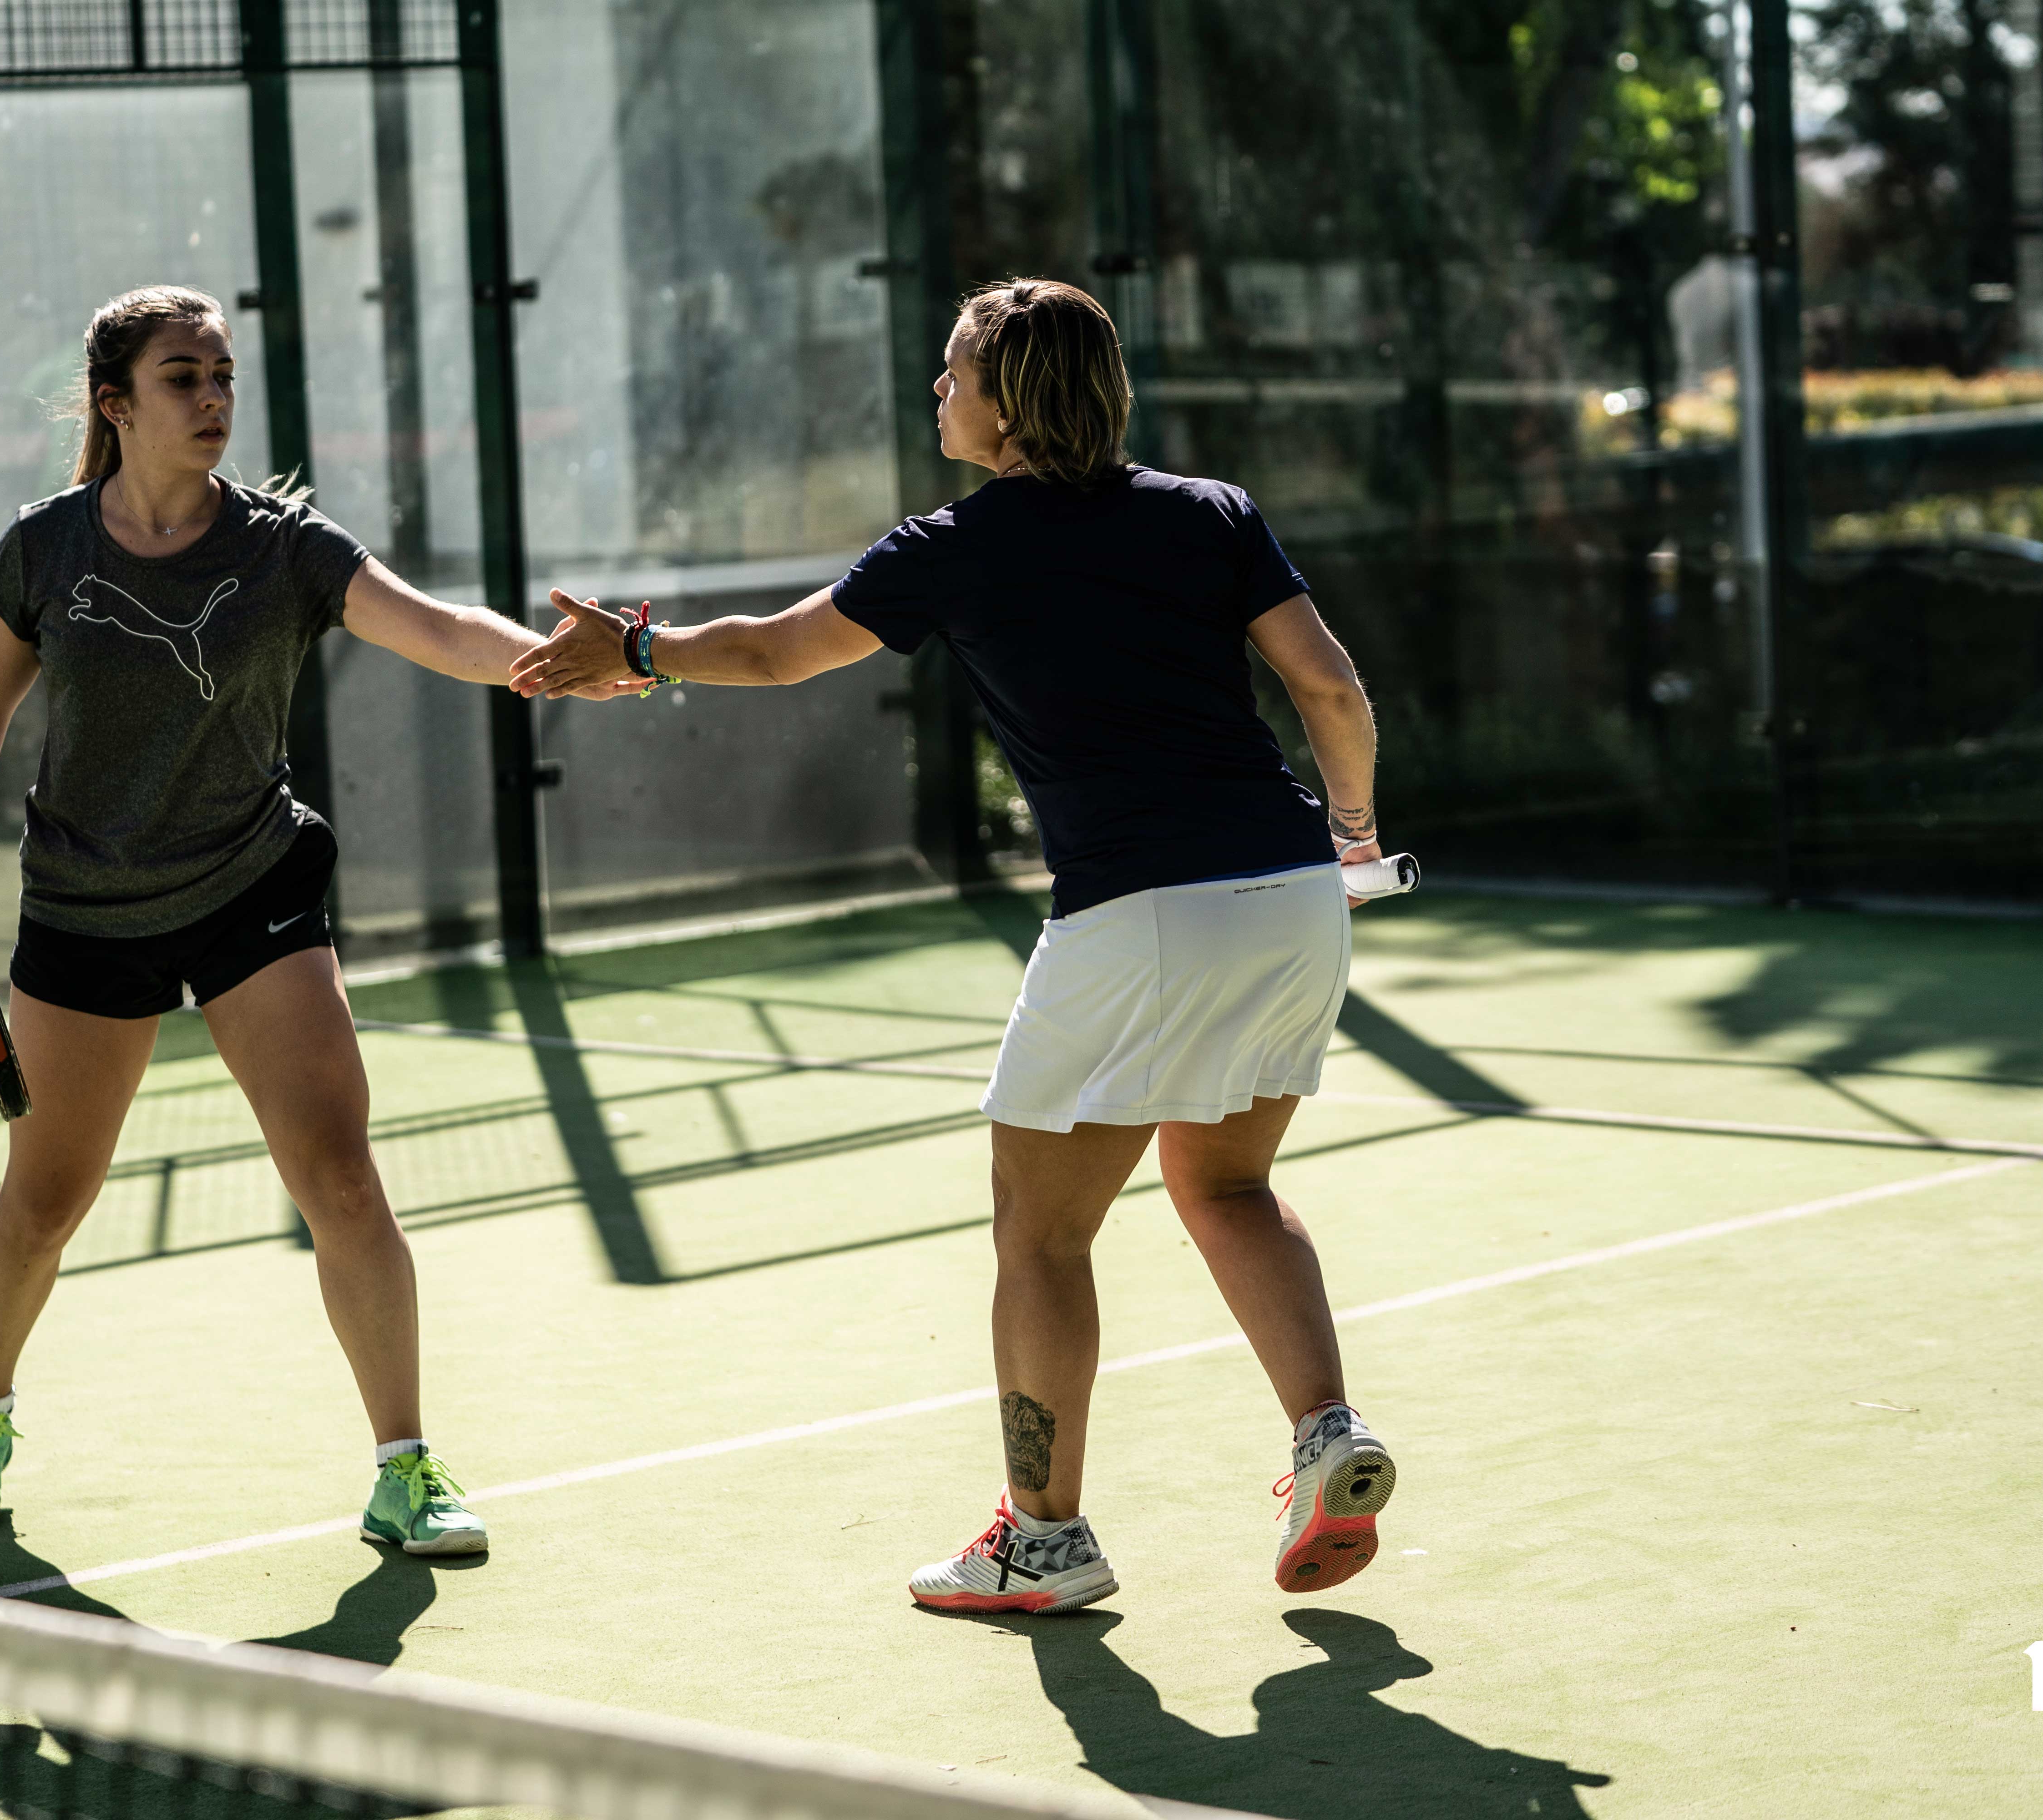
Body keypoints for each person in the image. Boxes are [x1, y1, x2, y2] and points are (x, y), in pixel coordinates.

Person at [509, 277, 1397, 1611]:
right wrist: (1353, 838)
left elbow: (775, 653)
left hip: (1141, 913)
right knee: (1226, 1187)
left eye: (955, 374)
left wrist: (635, 647)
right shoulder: (1214, 513)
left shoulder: (955, 545)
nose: (938, 391)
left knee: (1040, 1234)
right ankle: (1327, 1433)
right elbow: (1327, 684)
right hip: (1292, 897)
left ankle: (1044, 1542)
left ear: (1011, 403)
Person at [0, 285, 620, 1554]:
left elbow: (437, 627)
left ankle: (405, 1467)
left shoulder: (284, 547)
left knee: (340, 1174)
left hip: (253, 890)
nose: (214, 399)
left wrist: (553, 658)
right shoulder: (46, 550)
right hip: (86, 909)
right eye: (184, 377)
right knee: (45, 1202)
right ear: (116, 403)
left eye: (224, 374)